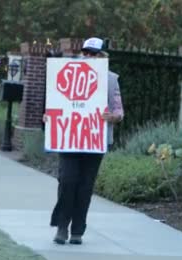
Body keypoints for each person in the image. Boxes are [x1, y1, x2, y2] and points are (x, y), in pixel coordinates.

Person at [47, 37, 124, 245]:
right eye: (86, 52)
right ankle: (62, 226)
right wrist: (50, 117)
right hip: (69, 139)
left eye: (93, 53)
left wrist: (113, 117)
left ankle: (77, 230)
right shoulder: (64, 73)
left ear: (102, 56)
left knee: (85, 186)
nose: (88, 56)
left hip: (94, 141)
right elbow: (55, 104)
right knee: (67, 181)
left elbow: (119, 111)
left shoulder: (110, 79)